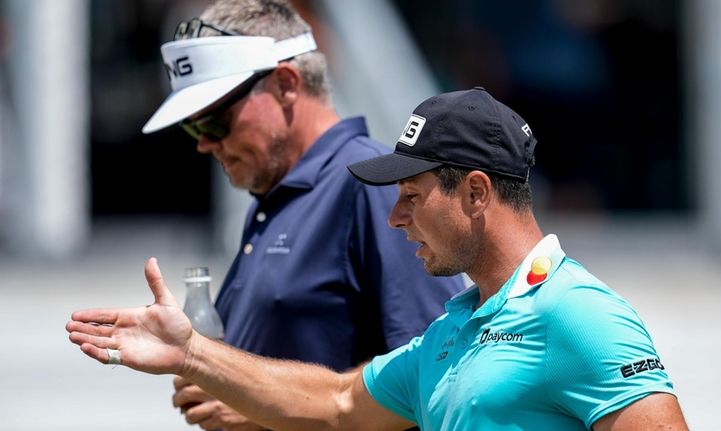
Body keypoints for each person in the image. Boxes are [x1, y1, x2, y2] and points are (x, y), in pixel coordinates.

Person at [68, 87, 689, 430]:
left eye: (412, 198)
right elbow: (337, 402)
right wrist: (193, 355)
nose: (395, 218)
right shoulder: (453, 327)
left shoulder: (577, 314)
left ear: (475, 193)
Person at [140, 0, 465, 429]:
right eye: (192, 128)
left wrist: (261, 406)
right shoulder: (275, 196)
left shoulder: (373, 187)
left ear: (286, 84)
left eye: (215, 123)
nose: (204, 143)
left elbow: (438, 375)